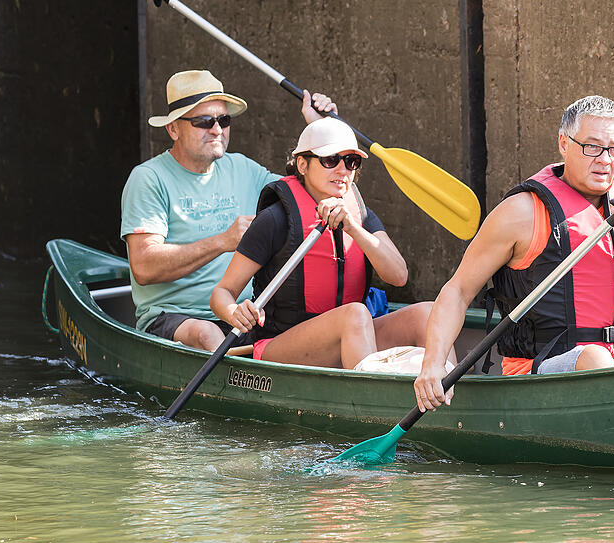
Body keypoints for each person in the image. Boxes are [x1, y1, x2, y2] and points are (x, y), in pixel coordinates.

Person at [413, 95, 614, 412]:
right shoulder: (521, 213)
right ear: (563, 143)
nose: (605, 160)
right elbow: (458, 291)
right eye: (592, 147)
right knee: (594, 358)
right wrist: (433, 364)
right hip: (546, 368)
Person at [120, 69, 334, 351]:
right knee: (208, 333)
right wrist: (223, 241)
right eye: (204, 121)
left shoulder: (242, 168)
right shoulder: (148, 178)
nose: (217, 130)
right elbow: (144, 267)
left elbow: (311, 187)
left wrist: (319, 131)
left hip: (246, 314)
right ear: (173, 129)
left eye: (224, 120)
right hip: (176, 317)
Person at [209, 116, 447, 369]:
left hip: (351, 333)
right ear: (302, 164)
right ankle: (369, 402)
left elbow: (398, 276)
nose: (342, 170)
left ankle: (450, 399)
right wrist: (235, 312)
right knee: (355, 315)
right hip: (281, 344)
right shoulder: (274, 220)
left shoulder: (361, 216)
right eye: (330, 160)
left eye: (351, 162)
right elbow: (222, 294)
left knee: (429, 314)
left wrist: (354, 229)